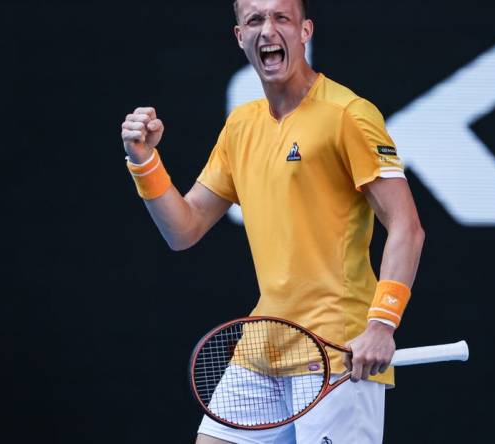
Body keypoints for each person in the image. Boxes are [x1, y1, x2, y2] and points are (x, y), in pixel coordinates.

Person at [120, 0, 425, 442]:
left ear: (305, 31)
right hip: (263, 344)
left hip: (335, 353)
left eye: (282, 17)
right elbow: (183, 230)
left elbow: (407, 227)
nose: (268, 30)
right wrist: (144, 162)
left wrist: (381, 325)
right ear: (239, 36)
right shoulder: (241, 126)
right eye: (255, 20)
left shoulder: (349, 116)